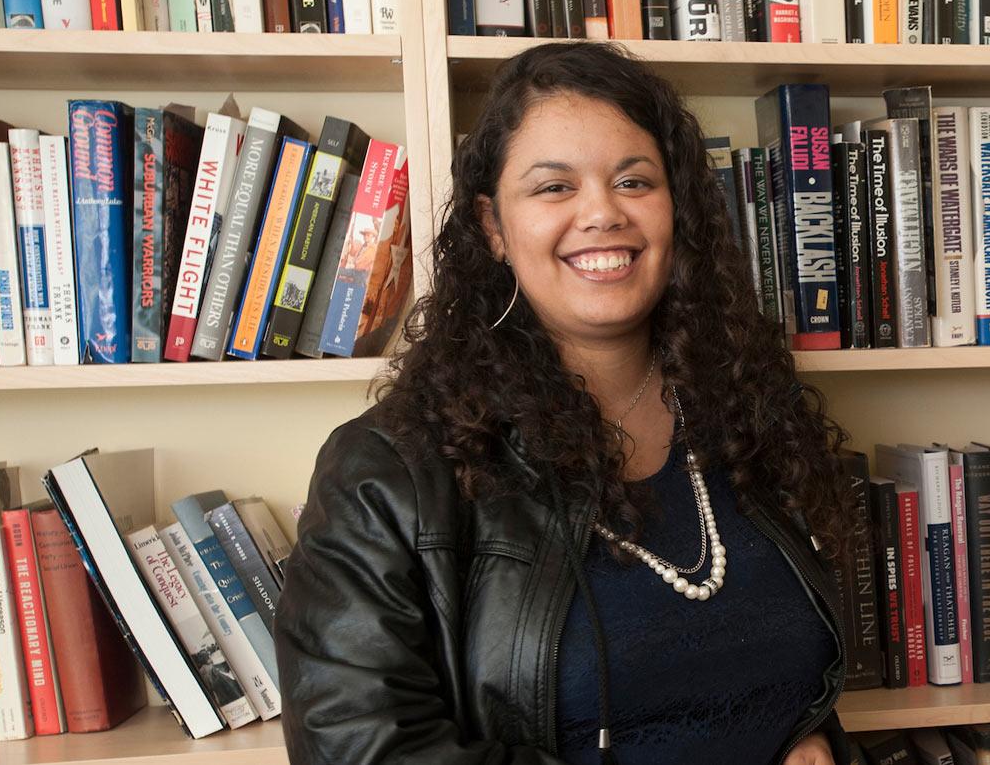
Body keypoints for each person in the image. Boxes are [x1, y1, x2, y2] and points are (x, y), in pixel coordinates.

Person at [277, 41, 856, 765]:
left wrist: (810, 738)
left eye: (635, 182)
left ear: (676, 210)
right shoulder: (389, 471)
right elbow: (360, 750)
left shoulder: (749, 414)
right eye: (554, 188)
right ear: (493, 228)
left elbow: (781, 674)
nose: (601, 214)